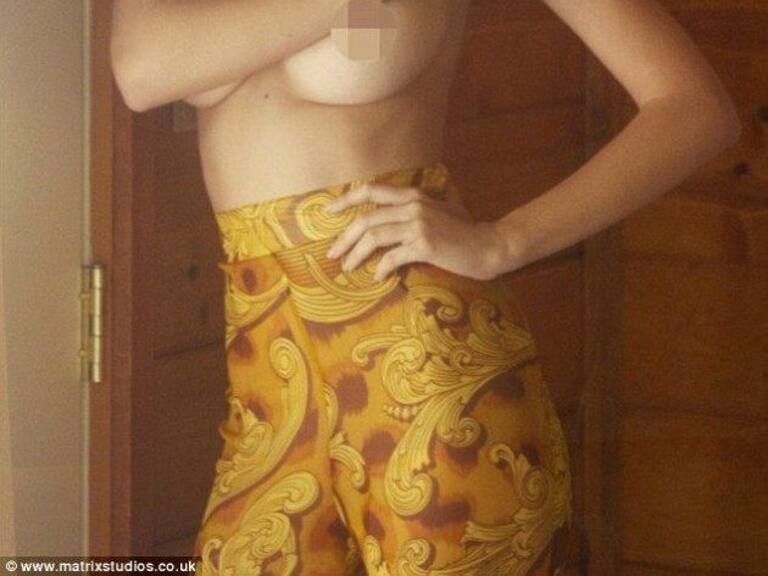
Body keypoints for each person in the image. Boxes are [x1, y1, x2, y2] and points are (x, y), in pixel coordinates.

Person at [110, 1, 741, 574]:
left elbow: (693, 108)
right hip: (268, 390)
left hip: (427, 372)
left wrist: (505, 240)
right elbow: (142, 70)